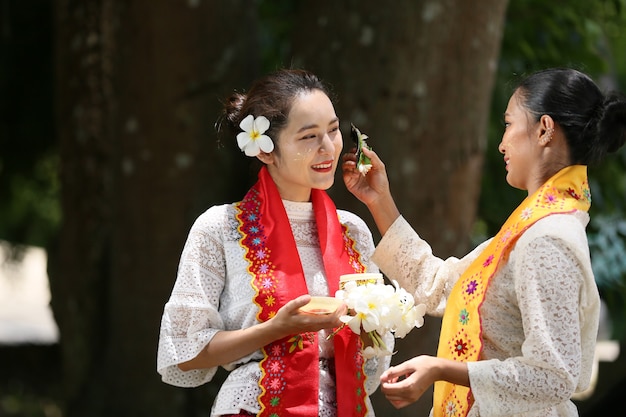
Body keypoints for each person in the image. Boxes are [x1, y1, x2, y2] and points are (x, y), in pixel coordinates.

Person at [341, 68, 626, 416]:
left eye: (508, 124)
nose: (501, 143)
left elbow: (554, 376)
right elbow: (439, 285)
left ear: (544, 130)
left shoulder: (548, 239)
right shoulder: (529, 229)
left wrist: (441, 369)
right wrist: (379, 200)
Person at [157, 68, 392, 417]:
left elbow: (374, 355)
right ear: (266, 151)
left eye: (332, 129)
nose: (328, 147)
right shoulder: (221, 228)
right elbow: (185, 350)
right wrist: (274, 329)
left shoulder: (352, 230)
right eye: (309, 137)